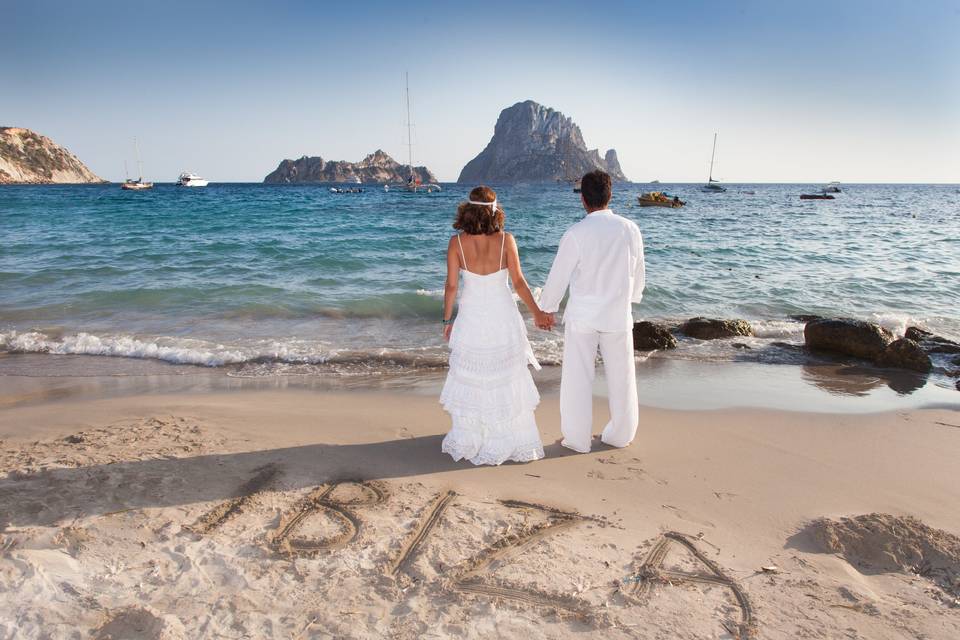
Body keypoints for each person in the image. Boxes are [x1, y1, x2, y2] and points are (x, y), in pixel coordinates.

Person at [439, 186, 554, 465]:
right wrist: (537, 312)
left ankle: (472, 437)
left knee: (474, 376)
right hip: (502, 316)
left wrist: (446, 320)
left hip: (471, 317)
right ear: (494, 210)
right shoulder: (506, 240)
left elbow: (452, 285)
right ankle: (506, 436)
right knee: (505, 375)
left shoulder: (456, 243)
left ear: (468, 209)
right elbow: (518, 282)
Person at [538, 170, 645, 453]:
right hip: (617, 315)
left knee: (577, 378)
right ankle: (620, 435)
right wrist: (631, 299)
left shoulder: (576, 233)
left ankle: (577, 439)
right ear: (610, 195)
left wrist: (547, 308)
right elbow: (638, 271)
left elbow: (558, 276)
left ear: (583, 199)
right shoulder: (630, 229)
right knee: (622, 378)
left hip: (584, 317)